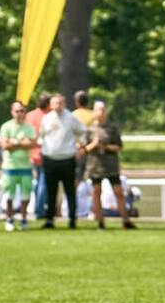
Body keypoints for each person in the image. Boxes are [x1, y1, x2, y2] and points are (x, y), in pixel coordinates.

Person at [82, 100, 134, 230]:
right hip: (95, 166)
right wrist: (93, 145)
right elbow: (84, 150)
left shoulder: (112, 128)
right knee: (96, 192)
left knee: (118, 192)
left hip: (111, 166)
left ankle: (126, 221)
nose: (100, 112)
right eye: (98, 109)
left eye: (103, 109)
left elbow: (119, 147)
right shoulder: (89, 129)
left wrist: (105, 146)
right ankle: (100, 222)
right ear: (93, 112)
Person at [38, 93, 83, 229]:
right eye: (55, 103)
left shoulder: (71, 118)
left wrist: (81, 147)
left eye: (60, 103)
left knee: (69, 191)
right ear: (50, 105)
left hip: (67, 159)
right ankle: (50, 220)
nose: (57, 105)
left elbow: (83, 131)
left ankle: (72, 219)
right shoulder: (46, 119)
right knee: (51, 191)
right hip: (50, 159)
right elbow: (41, 136)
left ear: (64, 104)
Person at [0, 101, 36, 231]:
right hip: (10, 167)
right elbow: (5, 145)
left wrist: (14, 143)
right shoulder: (6, 127)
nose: (19, 114)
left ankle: (24, 219)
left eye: (22, 111)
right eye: (17, 111)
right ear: (12, 112)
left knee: (25, 195)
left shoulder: (29, 127)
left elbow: (31, 144)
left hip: (25, 166)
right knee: (9, 196)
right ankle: (9, 218)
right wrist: (21, 142)